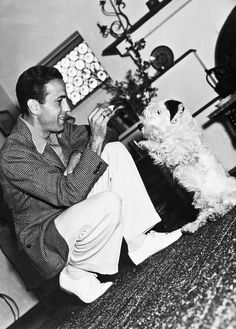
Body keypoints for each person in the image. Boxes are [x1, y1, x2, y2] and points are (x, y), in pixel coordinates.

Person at [0, 65, 182, 303]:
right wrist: (93, 142)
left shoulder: (58, 128)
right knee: (108, 202)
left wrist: (78, 153)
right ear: (35, 106)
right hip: (49, 239)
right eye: (59, 101)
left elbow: (108, 136)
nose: (66, 109)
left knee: (113, 152)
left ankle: (140, 241)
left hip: (75, 213)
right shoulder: (14, 155)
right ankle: (74, 274)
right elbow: (68, 195)